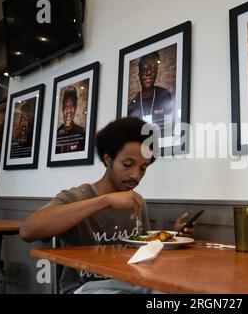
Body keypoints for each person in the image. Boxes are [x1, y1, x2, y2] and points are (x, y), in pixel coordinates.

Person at [20, 117, 194, 294]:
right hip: (85, 288)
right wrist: (105, 200)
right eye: (128, 164)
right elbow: (28, 231)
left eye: (143, 168)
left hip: (132, 282)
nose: (136, 175)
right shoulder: (77, 196)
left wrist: (172, 236)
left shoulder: (137, 201)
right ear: (108, 159)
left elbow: (144, 250)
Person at [127, 51, 175, 135]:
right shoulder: (133, 105)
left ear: (156, 72)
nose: (148, 73)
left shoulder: (164, 95)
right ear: (139, 75)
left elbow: (169, 130)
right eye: (144, 70)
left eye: (152, 69)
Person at [55, 86, 86, 154]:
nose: (69, 110)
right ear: (62, 109)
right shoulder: (56, 133)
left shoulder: (81, 132)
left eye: (72, 106)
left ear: (75, 108)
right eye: (66, 106)